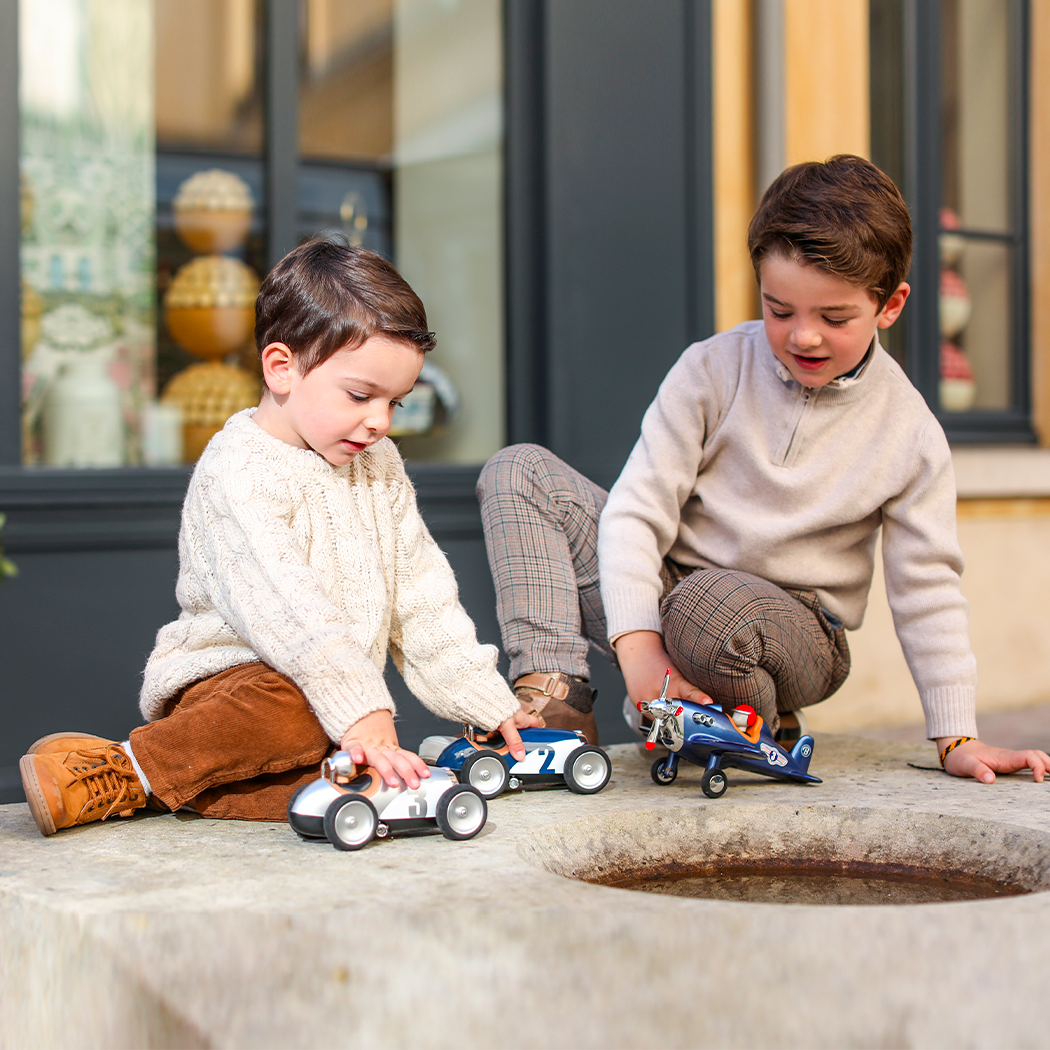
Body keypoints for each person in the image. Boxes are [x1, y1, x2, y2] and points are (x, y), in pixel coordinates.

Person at [478, 154, 1050, 784]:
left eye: (833, 318)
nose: (803, 336)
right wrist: (639, 651)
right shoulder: (711, 370)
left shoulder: (911, 433)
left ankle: (757, 715)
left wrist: (956, 735)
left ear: (890, 306)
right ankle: (556, 700)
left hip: (795, 630)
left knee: (707, 604)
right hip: (680, 594)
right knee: (519, 472)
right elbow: (636, 511)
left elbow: (928, 589)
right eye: (780, 310)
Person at [21, 237, 537, 836]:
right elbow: (289, 609)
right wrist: (365, 711)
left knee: (338, 779)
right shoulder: (239, 467)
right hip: (239, 683)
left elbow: (422, 596)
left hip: (329, 691)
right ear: (282, 367)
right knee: (298, 709)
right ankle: (124, 768)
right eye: (361, 395)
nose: (379, 420)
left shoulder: (380, 463)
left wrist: (486, 701)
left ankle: (190, 784)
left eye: (396, 402)